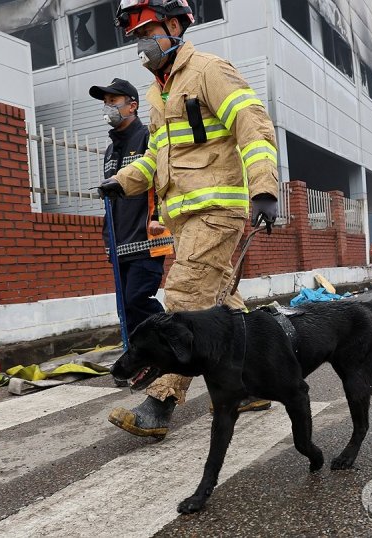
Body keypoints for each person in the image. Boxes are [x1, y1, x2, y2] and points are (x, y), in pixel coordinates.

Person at [97, 0, 279, 438]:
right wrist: (123, 181)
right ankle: (250, 385)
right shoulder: (158, 92)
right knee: (223, 306)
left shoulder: (210, 70)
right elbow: (157, 156)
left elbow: (253, 126)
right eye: (137, 37)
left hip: (215, 211)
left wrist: (264, 188)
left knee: (183, 300)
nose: (141, 44)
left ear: (175, 26)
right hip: (185, 219)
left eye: (147, 33)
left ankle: (159, 403)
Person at [89, 78, 173, 350]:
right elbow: (112, 200)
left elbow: (162, 180)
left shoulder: (147, 138)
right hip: (119, 243)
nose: (108, 107)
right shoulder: (110, 151)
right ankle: (140, 356)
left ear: (132, 105)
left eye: (113, 101)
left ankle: (173, 345)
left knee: (138, 300)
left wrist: (159, 219)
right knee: (125, 307)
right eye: (105, 102)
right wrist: (107, 238)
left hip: (146, 239)